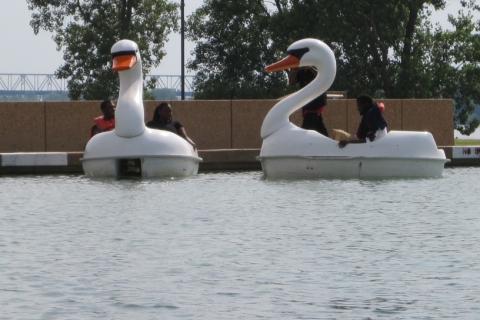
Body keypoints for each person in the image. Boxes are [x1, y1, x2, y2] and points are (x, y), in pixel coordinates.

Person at [290, 67, 329, 136]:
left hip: (316, 102)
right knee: (320, 128)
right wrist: (294, 69)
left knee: (306, 131)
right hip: (307, 103)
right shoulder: (300, 70)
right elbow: (292, 82)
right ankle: (329, 144)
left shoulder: (315, 65)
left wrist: (309, 67)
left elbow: (321, 76)